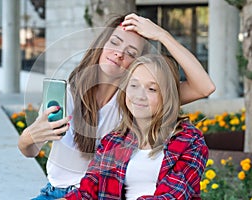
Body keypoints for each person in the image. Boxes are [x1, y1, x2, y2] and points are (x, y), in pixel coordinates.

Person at [18, 13, 215, 199]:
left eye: (130, 53)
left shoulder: (135, 100)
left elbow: (204, 87)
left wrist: (161, 35)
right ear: (101, 45)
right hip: (61, 192)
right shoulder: (67, 94)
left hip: (102, 194)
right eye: (114, 43)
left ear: (137, 65)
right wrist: (30, 136)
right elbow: (30, 151)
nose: (119, 54)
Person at [63, 54, 209, 199]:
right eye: (133, 85)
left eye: (152, 89)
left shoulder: (190, 141)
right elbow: (87, 192)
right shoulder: (113, 141)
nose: (139, 96)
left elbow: (173, 196)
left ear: (167, 96)